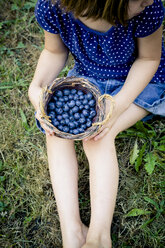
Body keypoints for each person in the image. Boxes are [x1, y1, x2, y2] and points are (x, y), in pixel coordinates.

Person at [28, 0, 165, 247]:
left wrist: (117, 106)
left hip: (137, 83)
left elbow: (148, 60)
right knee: (57, 133)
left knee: (98, 137)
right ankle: (72, 231)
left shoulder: (148, 8)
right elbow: (54, 52)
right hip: (89, 78)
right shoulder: (53, 7)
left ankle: (100, 237)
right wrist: (36, 87)